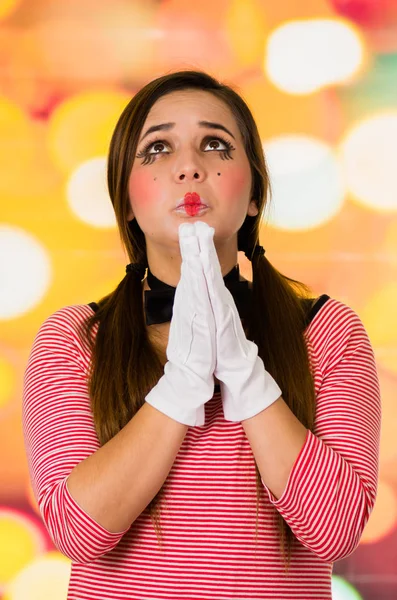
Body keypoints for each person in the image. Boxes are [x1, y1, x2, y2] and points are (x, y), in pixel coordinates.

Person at [22, 70, 381, 600]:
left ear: (255, 192)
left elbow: (335, 529)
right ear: (126, 200)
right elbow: (78, 532)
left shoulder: (329, 333)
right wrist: (182, 384)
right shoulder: (74, 340)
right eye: (157, 149)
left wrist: (246, 374)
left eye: (215, 145)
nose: (189, 166)